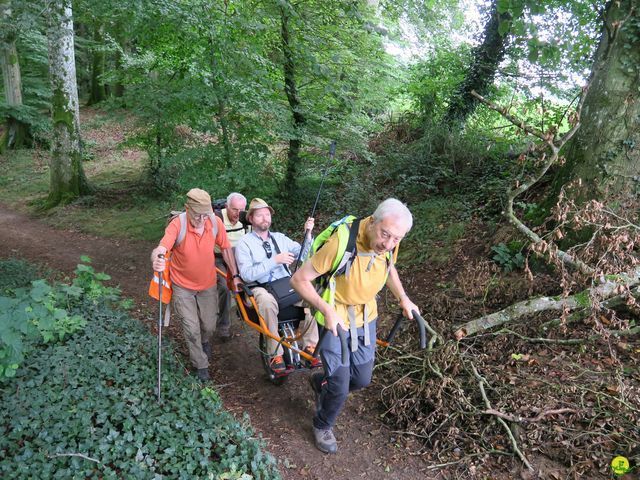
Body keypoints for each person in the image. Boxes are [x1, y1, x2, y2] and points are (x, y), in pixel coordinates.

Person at [290, 198, 419, 454]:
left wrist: (403, 298)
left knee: (360, 379)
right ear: (372, 222)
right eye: (385, 235)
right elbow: (299, 279)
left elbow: (389, 267)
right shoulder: (342, 242)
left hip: (365, 316)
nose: (389, 244)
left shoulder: (390, 242)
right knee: (339, 384)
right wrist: (326, 309)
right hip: (335, 314)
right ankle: (322, 424)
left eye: (396, 239)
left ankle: (319, 382)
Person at [151, 188, 241, 382]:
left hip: (207, 284)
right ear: (187, 209)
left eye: (206, 215)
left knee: (209, 326)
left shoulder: (214, 222)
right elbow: (161, 248)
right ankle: (200, 365)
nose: (202, 220)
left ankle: (205, 340)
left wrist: (234, 275)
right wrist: (157, 259)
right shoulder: (178, 224)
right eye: (198, 215)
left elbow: (225, 248)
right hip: (182, 286)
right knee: (191, 328)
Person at [235, 198, 320, 372]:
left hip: (284, 285)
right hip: (260, 287)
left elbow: (304, 255)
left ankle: (311, 346)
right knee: (266, 302)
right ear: (251, 219)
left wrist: (308, 234)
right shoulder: (244, 243)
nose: (265, 218)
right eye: (260, 215)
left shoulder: (280, 238)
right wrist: (275, 260)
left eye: (267, 214)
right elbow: (246, 274)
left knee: (312, 297)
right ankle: (275, 354)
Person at [215, 192, 251, 340]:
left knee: (249, 280)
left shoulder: (245, 219)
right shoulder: (217, 219)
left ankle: (245, 312)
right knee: (224, 287)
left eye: (242, 210)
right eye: (234, 209)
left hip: (238, 257)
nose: (238, 213)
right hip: (217, 258)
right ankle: (223, 326)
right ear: (226, 207)